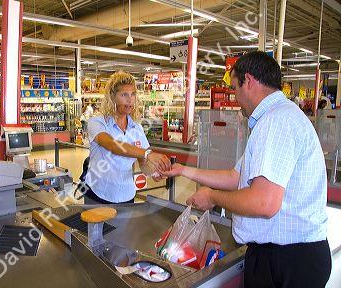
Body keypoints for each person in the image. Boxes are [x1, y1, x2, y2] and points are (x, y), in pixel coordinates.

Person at [163, 51, 331, 288]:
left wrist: (212, 196)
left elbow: (264, 203)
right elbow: (236, 177)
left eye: (235, 88)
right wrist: (183, 171)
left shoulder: (276, 121)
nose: (235, 97)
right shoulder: (275, 118)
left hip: (286, 262)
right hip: (290, 257)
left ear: (249, 81)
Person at [83, 71, 171, 204]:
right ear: (112, 97)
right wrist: (148, 154)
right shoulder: (97, 123)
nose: (130, 100)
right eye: (124, 95)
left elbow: (143, 164)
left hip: (127, 195)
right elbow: (113, 146)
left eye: (133, 94)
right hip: (98, 193)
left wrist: (154, 172)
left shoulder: (137, 128)